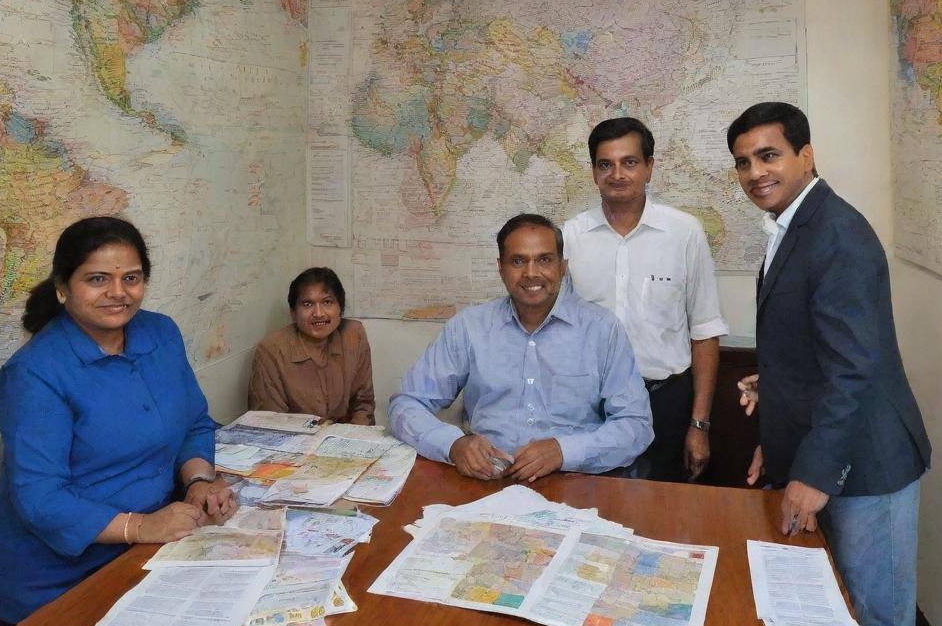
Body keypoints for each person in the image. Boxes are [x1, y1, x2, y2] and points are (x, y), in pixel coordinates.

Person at [728, 102, 931, 626]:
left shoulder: (837, 232)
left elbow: (853, 371)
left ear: (806, 154)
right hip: (832, 446)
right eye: (743, 163)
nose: (755, 173)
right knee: (836, 619)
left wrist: (812, 473)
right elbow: (819, 346)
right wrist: (776, 400)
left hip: (868, 464)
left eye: (768, 156)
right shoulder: (792, 225)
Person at [0, 216, 235, 626]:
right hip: (54, 585)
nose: (118, 293)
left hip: (147, 554)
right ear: (63, 286)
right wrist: (142, 527)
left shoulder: (160, 333)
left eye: (132, 278)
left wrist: (198, 483)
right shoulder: (35, 373)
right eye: (98, 279)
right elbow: (41, 497)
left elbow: (193, 422)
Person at [388, 213, 652, 482]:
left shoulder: (602, 329)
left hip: (575, 481)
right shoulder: (469, 327)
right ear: (500, 268)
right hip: (488, 481)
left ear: (562, 268)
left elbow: (636, 425)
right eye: (517, 261)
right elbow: (407, 403)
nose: (531, 273)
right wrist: (453, 445)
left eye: (544, 260)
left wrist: (563, 452)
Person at [562, 117, 727, 481]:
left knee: (661, 516)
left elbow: (704, 330)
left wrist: (699, 426)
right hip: (592, 408)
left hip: (665, 404)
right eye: (606, 164)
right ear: (593, 172)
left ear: (649, 168)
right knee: (592, 512)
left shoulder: (684, 232)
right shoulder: (570, 238)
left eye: (630, 162)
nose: (617, 173)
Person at [248, 267, 375, 424]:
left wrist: (353, 437)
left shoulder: (354, 334)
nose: (319, 313)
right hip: (295, 442)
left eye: (327, 302)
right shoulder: (271, 350)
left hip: (346, 439)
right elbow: (270, 421)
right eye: (307, 304)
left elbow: (364, 404)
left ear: (340, 308)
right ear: (293, 312)